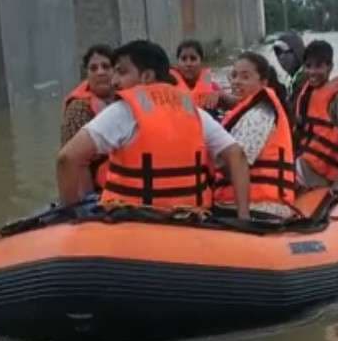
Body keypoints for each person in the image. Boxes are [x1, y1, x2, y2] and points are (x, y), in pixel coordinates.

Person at [57, 40, 250, 219]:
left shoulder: (123, 111)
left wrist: (70, 217)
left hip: (133, 221)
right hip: (190, 220)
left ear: (147, 76)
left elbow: (67, 158)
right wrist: (244, 218)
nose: (114, 81)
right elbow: (237, 155)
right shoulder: (193, 111)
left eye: (121, 72)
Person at [214, 52, 296, 218]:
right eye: (234, 75)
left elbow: (238, 162)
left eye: (245, 77)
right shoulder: (249, 110)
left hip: (261, 206)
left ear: (263, 82)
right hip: (251, 202)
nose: (236, 81)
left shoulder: (260, 114)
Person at [293, 41, 338, 194]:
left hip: (321, 173)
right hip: (304, 163)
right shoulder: (305, 95)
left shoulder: (337, 98)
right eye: (308, 66)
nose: (312, 72)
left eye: (318, 66)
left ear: (329, 67)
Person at [60, 44, 116, 191]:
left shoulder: (128, 101)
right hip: (95, 187)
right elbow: (72, 160)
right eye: (94, 68)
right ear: (87, 74)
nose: (100, 72)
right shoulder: (78, 109)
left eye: (106, 66)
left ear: (116, 71)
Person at [171, 39, 233, 111]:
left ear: (201, 62)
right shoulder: (168, 86)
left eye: (193, 59)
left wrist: (221, 96)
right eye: (183, 59)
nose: (188, 64)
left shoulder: (211, 87)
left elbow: (238, 104)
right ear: (177, 63)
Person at [272, 31, 307, 115]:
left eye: (282, 52)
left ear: (296, 52)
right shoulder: (291, 80)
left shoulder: (306, 80)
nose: (280, 57)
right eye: (277, 53)